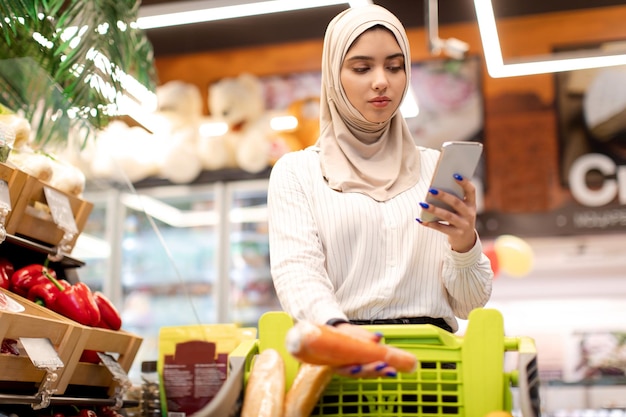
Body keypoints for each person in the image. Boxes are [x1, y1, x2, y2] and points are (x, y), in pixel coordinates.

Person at [267, 4, 493, 378]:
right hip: (345, 365)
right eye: (361, 68)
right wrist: (338, 332)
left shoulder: (433, 168)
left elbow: (469, 304)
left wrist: (464, 243)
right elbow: (297, 270)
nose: (381, 81)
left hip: (434, 371)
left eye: (394, 66)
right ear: (333, 76)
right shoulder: (297, 172)